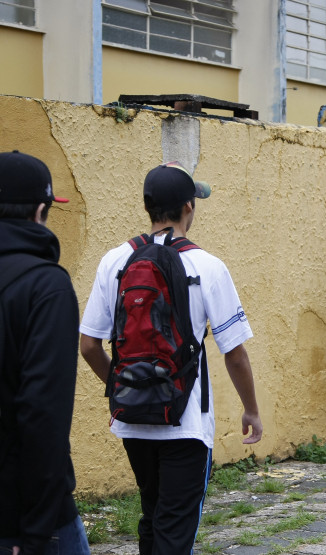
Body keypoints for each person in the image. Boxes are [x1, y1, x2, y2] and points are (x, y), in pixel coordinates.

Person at [80, 161, 263, 554]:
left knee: (152, 515)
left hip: (131, 420)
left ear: (148, 209)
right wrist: (251, 409)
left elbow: (89, 346)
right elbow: (234, 352)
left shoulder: (114, 261)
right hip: (187, 422)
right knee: (175, 530)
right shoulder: (209, 267)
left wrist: (123, 388)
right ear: (188, 208)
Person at [0, 151, 90, 554]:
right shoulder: (45, 286)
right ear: (41, 211)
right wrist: (36, 532)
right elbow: (42, 413)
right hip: (24, 514)